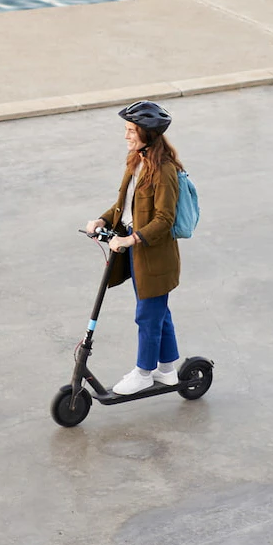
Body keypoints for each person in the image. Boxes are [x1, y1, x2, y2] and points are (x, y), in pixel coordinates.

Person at [83, 100, 184, 395]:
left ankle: (144, 373)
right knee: (158, 312)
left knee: (148, 315)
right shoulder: (137, 161)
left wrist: (131, 239)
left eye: (131, 130)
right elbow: (123, 205)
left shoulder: (164, 170)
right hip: (137, 253)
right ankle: (167, 370)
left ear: (147, 134)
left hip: (154, 256)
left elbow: (164, 219)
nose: (126, 135)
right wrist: (102, 220)